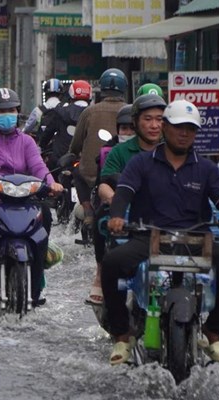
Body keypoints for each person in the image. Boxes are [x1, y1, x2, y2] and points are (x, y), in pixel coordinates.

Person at [102, 100, 219, 365]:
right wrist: (117, 216)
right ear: (165, 127)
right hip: (148, 237)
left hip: (196, 240)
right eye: (179, 127)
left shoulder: (206, 168)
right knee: (110, 264)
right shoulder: (141, 164)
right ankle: (122, 334)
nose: (184, 133)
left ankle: (213, 330)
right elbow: (124, 192)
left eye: (190, 129)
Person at [0, 88, 63, 301]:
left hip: (23, 199)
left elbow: (38, 167)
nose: (7, 114)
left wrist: (52, 184)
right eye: (1, 110)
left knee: (44, 210)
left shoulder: (26, 141)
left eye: (12, 110)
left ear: (18, 112)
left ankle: (38, 264)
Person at [87, 94, 167, 305]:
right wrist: (114, 200)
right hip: (129, 214)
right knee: (102, 220)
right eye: (148, 119)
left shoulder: (174, 150)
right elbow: (104, 182)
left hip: (168, 218)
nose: (154, 125)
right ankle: (101, 271)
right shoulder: (119, 152)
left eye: (159, 119)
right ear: (136, 122)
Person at [69, 68, 128, 237]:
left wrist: (73, 153)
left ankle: (88, 211)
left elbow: (76, 143)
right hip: (123, 171)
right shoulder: (130, 111)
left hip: (91, 174)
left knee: (77, 172)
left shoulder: (89, 111)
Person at [38, 80, 91, 172]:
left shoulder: (60, 112)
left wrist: (41, 146)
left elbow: (48, 133)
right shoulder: (94, 114)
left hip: (60, 159)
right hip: (86, 160)